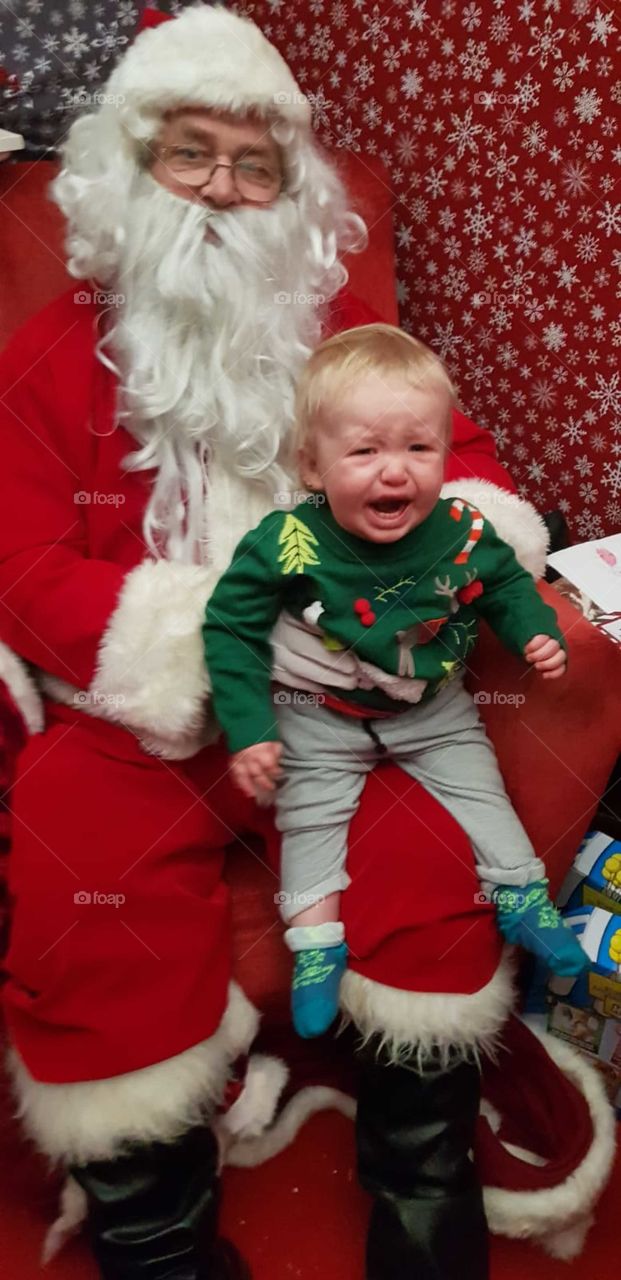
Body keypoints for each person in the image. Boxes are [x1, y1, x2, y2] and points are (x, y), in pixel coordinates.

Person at [0, 7, 611, 1280]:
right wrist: (176, 648)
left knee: (433, 837)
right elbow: (17, 563)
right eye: (191, 153)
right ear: (134, 168)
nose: (224, 186)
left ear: (295, 189)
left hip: (351, 700)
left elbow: (468, 466)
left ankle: (422, 1190)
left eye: (255, 160)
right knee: (79, 880)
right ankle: (154, 1233)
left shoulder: (337, 332)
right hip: (139, 716)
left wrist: (461, 549)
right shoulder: (52, 351)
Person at [205, 323, 589, 1039]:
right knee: (310, 815)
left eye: (419, 447)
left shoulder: (460, 529)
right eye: (365, 451)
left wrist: (532, 628)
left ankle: (521, 895)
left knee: (480, 787)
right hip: (317, 711)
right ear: (313, 468)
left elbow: (502, 580)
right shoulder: (285, 543)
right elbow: (228, 630)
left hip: (430, 707)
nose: (395, 471)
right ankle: (317, 948)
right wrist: (251, 727)